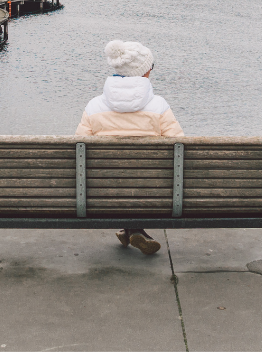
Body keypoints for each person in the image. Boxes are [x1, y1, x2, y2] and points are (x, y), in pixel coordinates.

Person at [76, 39, 184, 255]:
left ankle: (131, 229)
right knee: (141, 178)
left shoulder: (93, 107)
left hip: (101, 192)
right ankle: (134, 229)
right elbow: (180, 147)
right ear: (145, 73)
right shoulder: (159, 107)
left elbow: (78, 149)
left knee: (116, 177)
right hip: (154, 192)